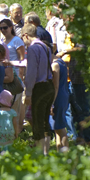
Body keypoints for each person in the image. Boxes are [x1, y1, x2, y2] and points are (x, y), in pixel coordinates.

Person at [22, 24, 55, 154]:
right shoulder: (46, 47)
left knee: (37, 121)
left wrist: (28, 93)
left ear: (25, 36)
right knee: (45, 120)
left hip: (39, 87)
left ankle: (40, 154)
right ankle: (46, 150)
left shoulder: (32, 49)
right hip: (49, 84)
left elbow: (31, 73)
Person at [50, 53, 70, 151]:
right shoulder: (61, 61)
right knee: (57, 127)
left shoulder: (55, 65)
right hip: (64, 94)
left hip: (58, 97)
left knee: (60, 128)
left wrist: (51, 103)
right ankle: (59, 152)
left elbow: (55, 86)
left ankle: (66, 153)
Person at [0, 89, 17, 154]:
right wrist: (16, 133)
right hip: (10, 131)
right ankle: (7, 156)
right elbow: (15, 123)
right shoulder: (12, 112)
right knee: (8, 145)